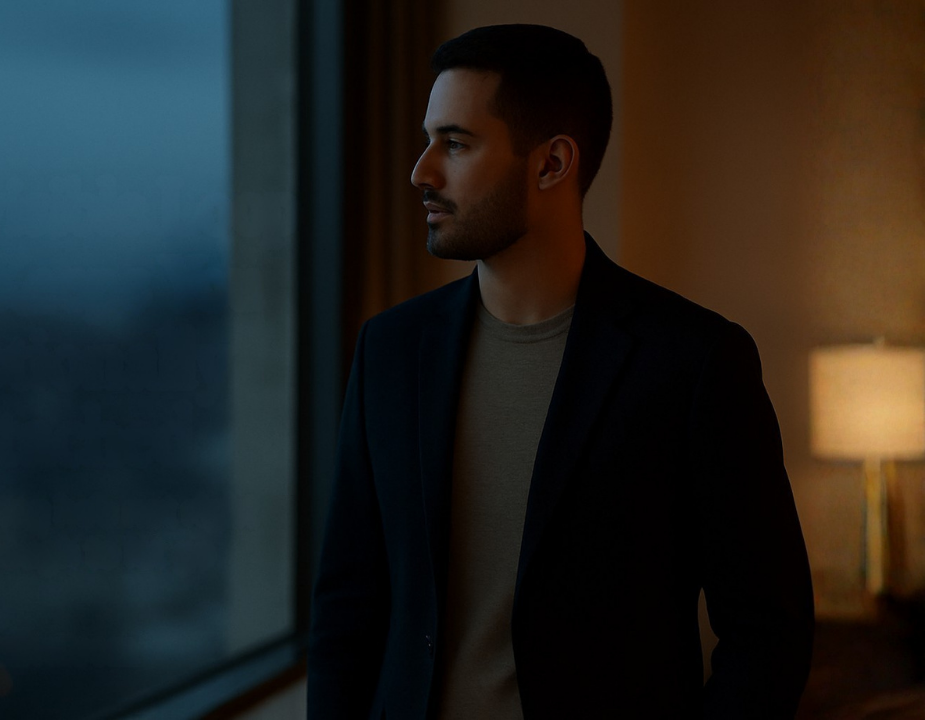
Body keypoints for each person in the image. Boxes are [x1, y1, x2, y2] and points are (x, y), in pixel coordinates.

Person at [306, 23, 814, 720]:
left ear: (551, 164)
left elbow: (768, 634)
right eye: (429, 140)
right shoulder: (390, 352)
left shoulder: (694, 363)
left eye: (454, 143)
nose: (421, 170)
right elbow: (348, 607)